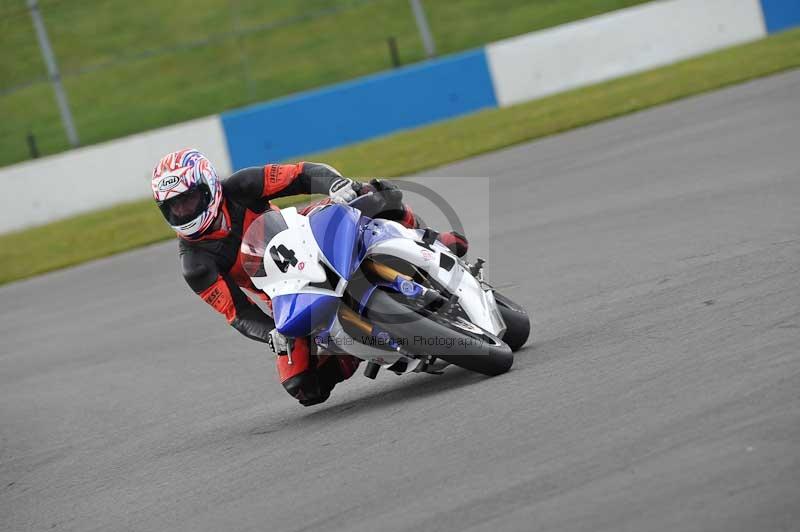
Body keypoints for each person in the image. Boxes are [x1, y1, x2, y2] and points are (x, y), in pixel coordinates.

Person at [151, 148, 468, 406]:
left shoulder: (242, 186)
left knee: (373, 194)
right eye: (174, 207)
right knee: (303, 386)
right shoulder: (195, 264)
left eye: (189, 199)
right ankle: (351, 349)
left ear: (209, 186)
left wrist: (334, 185)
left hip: (306, 231)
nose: (184, 212)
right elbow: (238, 314)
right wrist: (272, 334)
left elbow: (302, 173)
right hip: (283, 292)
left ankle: (431, 240)